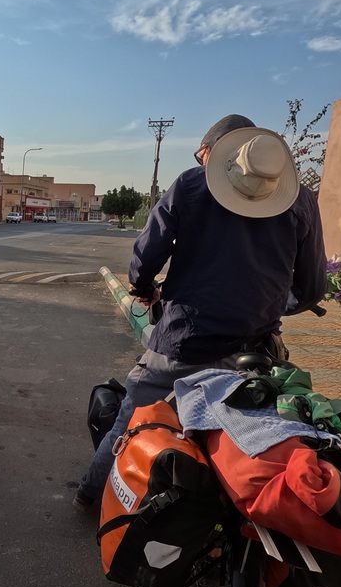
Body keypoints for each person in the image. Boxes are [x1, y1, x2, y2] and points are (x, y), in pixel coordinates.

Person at [75, 114, 327, 510]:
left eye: (201, 154)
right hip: (254, 355)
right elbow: (311, 289)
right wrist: (270, 304)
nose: (200, 162)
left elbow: (145, 255)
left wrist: (144, 289)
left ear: (218, 153)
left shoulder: (193, 184)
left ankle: (90, 495)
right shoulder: (303, 200)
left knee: (132, 422)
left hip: (182, 343)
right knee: (242, 441)